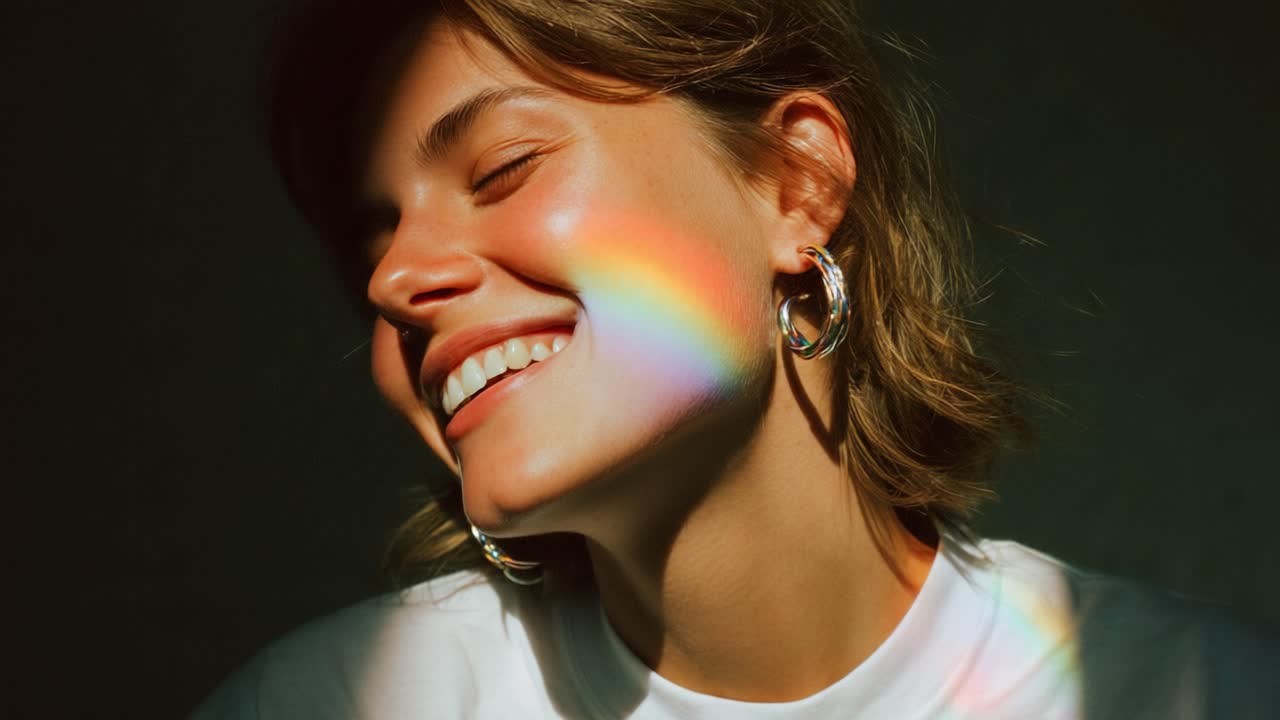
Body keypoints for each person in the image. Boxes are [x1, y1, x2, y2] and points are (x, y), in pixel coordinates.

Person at [194, 1, 1278, 717]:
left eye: (504, 166)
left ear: (792, 182)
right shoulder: (328, 704)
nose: (393, 284)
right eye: (374, 238)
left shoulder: (1197, 693)